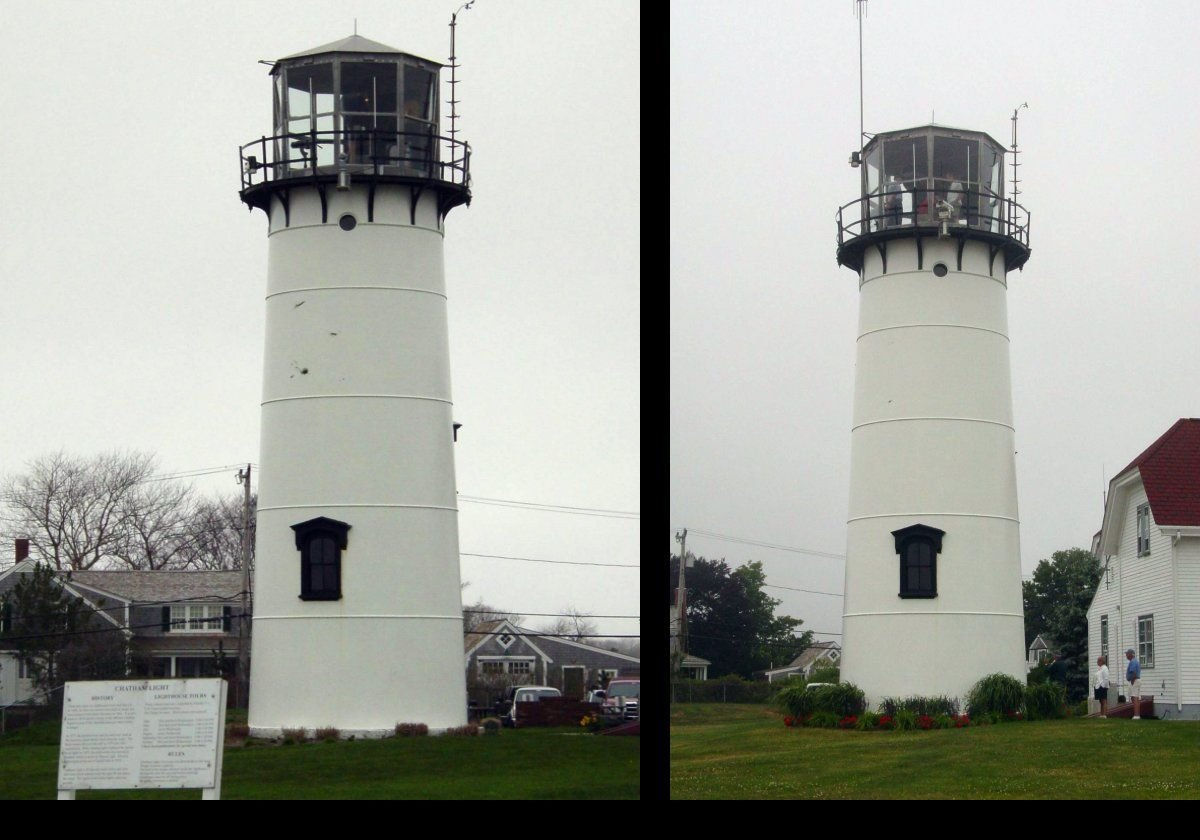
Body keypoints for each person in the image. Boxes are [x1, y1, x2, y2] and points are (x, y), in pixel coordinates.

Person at [1125, 648, 1141, 719]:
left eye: (1127, 654)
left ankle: (1137, 715)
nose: (1126, 655)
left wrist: (1132, 680)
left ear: (1131, 654)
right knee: (1133, 697)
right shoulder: (1133, 661)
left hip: (1134, 680)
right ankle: (1136, 714)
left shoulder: (1133, 662)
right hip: (1134, 680)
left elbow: (1133, 672)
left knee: (1135, 697)